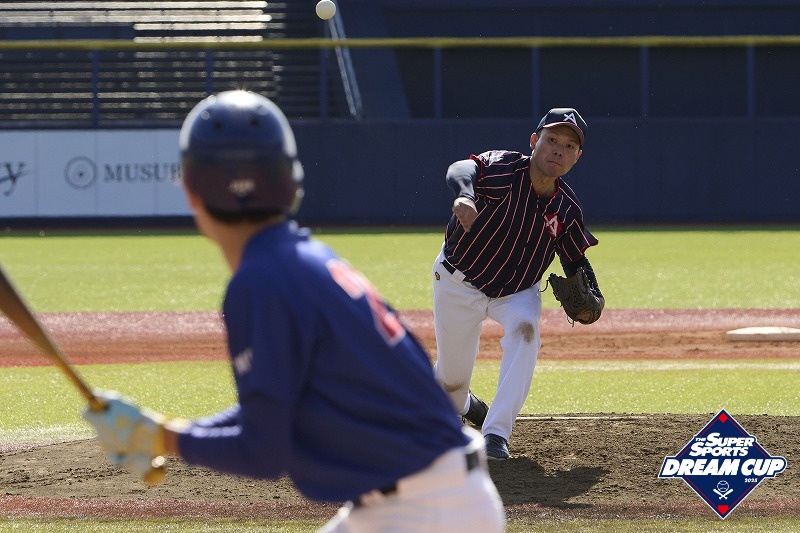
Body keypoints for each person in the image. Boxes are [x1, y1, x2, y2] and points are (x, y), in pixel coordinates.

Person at [81, 90, 505, 533]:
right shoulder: (301, 260)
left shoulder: (259, 281)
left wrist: (165, 437)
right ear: (290, 183)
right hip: (432, 496)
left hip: (425, 512)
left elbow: (262, 451)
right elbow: (271, 406)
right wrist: (157, 430)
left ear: (191, 192)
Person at [432, 108, 605, 460]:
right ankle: (465, 404)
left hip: (517, 292)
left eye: (569, 146)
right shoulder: (503, 170)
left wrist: (592, 296)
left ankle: (496, 433)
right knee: (450, 384)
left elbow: (574, 260)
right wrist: (465, 195)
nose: (558, 150)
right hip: (458, 282)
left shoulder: (566, 210)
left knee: (526, 333)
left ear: (577, 157)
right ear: (533, 141)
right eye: (552, 140)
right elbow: (462, 168)